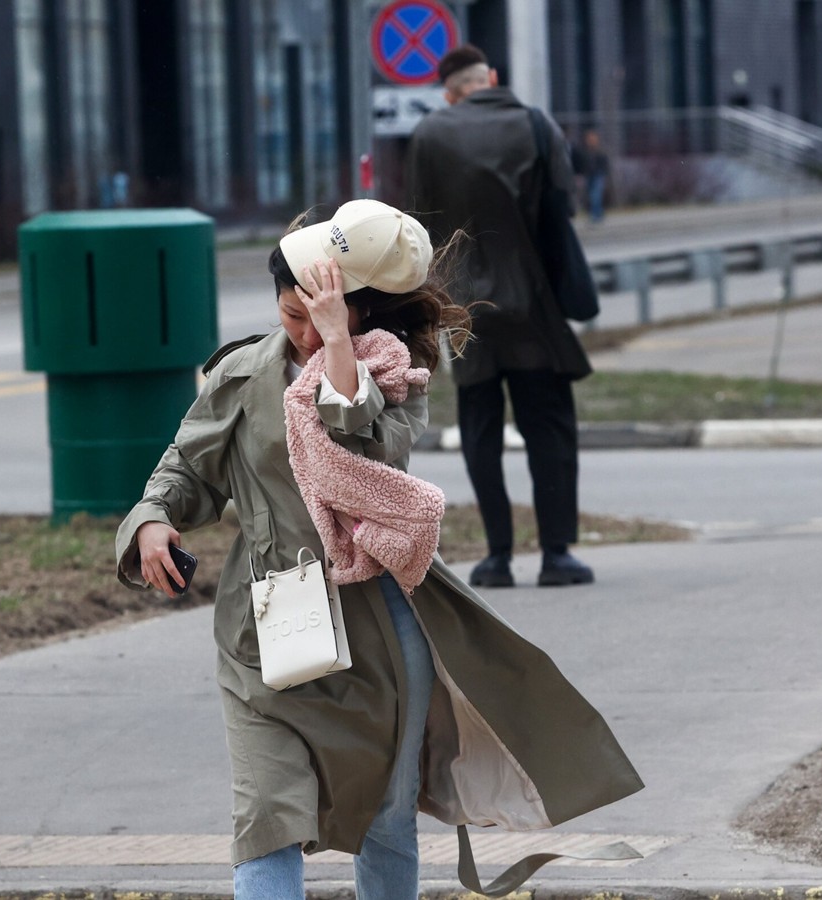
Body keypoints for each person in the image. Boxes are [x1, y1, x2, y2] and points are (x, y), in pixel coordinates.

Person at [114, 199, 642, 900]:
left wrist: (337, 349)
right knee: (265, 815)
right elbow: (184, 467)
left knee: (387, 816)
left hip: (378, 633)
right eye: (291, 314)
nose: (300, 334)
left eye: (321, 317)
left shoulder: (400, 380)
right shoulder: (241, 374)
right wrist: (151, 520)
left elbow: (362, 446)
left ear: (362, 312)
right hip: (263, 631)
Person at [406, 44, 597, 589]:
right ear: (491, 78)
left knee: (481, 430)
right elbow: (562, 207)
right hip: (534, 306)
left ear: (449, 92)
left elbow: (416, 229)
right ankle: (557, 554)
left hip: (465, 313)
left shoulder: (429, 135)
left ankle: (496, 558)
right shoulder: (535, 125)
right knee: (549, 428)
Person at [570, 128, 611, 224]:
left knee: (595, 194)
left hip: (598, 174)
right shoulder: (583, 150)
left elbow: (605, 162)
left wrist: (605, 172)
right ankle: (599, 213)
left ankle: (594, 215)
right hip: (588, 174)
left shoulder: (600, 150)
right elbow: (579, 162)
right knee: (592, 195)